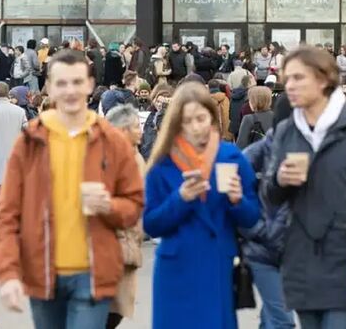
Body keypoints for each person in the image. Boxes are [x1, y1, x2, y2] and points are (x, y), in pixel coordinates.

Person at [0, 49, 144, 329]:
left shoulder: (111, 141)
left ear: (90, 84)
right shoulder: (29, 141)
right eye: (62, 83)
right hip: (42, 274)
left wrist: (109, 206)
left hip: (93, 275)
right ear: (49, 87)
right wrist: (8, 273)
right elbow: (7, 213)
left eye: (77, 82)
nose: (70, 90)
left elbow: (134, 204)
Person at [265, 48, 346, 329]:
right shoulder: (286, 130)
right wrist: (279, 181)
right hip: (301, 261)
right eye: (287, 78)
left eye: (298, 77)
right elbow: (269, 197)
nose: (289, 85)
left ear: (323, 79)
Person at [143, 81, 260, 329]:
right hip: (176, 267)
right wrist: (180, 198)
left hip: (217, 264)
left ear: (213, 118)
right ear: (176, 123)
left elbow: (252, 217)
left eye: (201, 118)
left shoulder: (231, 157)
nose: (196, 127)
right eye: (187, 121)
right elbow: (150, 224)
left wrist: (237, 200)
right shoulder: (163, 163)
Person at [239, 94, 296, 329]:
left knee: (271, 317)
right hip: (264, 249)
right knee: (283, 320)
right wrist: (259, 230)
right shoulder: (257, 154)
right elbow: (236, 197)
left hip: (296, 250)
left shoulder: (311, 152)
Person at [103, 104, 145, 329]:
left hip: (129, 241)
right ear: (121, 130)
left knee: (115, 310)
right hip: (113, 244)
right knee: (109, 310)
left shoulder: (134, 156)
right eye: (136, 126)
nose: (141, 130)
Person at [140, 84, 173, 160]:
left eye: (164, 102)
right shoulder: (148, 115)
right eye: (158, 101)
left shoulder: (173, 117)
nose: (160, 105)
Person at [229, 74, 253, 141]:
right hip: (245, 124)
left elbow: (230, 110)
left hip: (235, 124)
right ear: (248, 83)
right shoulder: (248, 94)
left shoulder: (234, 93)